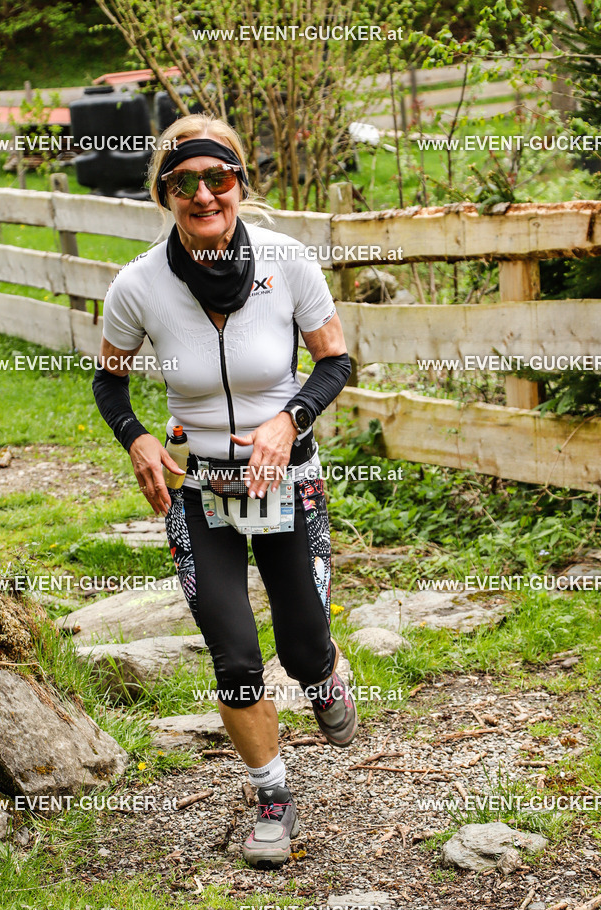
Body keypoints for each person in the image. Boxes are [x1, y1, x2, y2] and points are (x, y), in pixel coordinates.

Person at [92, 113, 357, 869]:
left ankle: (323, 673)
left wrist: (290, 418)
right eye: (185, 183)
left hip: (288, 478)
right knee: (235, 655)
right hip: (198, 489)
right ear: (165, 193)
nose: (205, 194)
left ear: (240, 181)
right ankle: (272, 794)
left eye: (220, 177)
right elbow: (110, 384)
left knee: (304, 651)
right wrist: (138, 436)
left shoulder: (287, 260)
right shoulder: (138, 284)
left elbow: (334, 360)